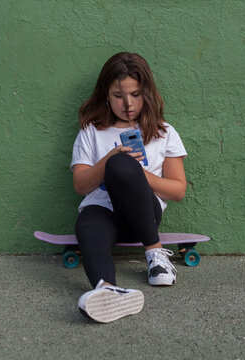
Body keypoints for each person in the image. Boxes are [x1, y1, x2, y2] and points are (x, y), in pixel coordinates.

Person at [71, 52, 187, 323]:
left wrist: (136, 173)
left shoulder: (163, 132)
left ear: (146, 93)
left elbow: (178, 190)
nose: (127, 103)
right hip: (102, 211)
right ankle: (107, 290)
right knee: (87, 226)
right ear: (106, 96)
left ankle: (155, 255)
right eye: (118, 95)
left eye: (135, 94)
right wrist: (108, 161)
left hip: (143, 215)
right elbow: (80, 185)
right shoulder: (91, 131)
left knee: (123, 165)